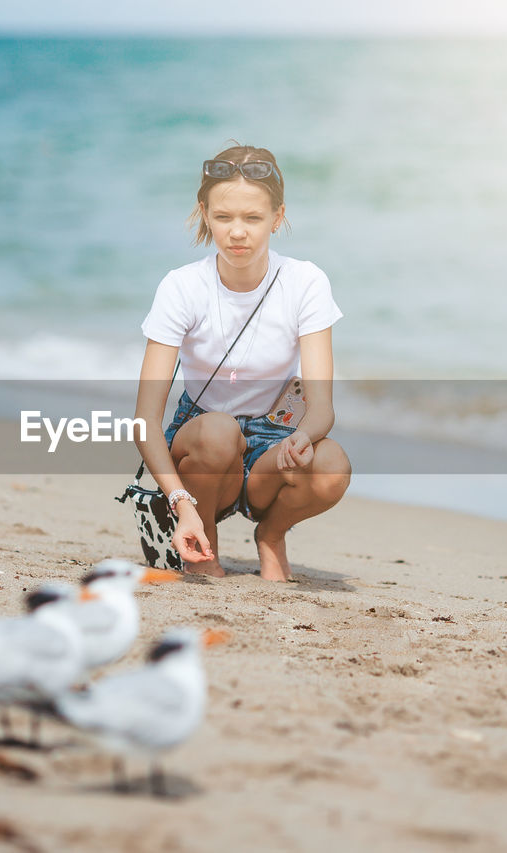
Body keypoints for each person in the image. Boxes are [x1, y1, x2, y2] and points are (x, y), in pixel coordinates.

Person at [135, 144, 351, 582]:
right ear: (204, 212)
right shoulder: (181, 287)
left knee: (333, 468)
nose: (237, 233)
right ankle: (202, 537)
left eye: (253, 218)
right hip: (203, 444)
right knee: (219, 429)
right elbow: (144, 420)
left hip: (273, 443)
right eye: (223, 217)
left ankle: (271, 536)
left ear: (278, 216)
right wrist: (180, 502)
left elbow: (322, 408)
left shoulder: (306, 282)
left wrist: (302, 437)